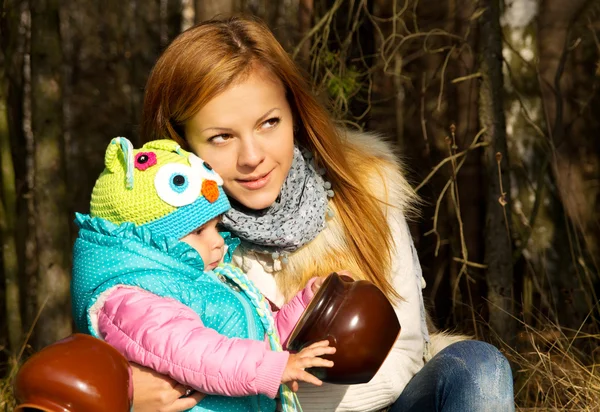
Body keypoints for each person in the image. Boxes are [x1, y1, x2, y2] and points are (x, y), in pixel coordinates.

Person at [128, 16, 515, 412]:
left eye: (268, 123)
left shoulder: (363, 185)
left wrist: (264, 380)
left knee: (479, 368)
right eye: (221, 137)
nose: (252, 157)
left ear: (294, 114)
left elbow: (406, 352)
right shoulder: (158, 239)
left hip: (390, 404)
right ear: (180, 141)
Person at [70, 137, 337, 411]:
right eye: (199, 231)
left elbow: (257, 339)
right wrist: (274, 368)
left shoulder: (202, 282)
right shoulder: (129, 300)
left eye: (216, 227)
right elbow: (198, 354)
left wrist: (308, 304)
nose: (218, 241)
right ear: (152, 241)